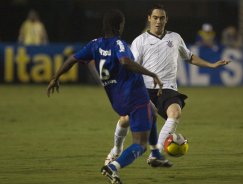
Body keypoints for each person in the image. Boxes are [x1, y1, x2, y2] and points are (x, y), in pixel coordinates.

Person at [47, 9, 171, 184]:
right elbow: (125, 62)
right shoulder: (119, 44)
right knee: (139, 144)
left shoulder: (94, 44)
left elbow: (72, 59)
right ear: (119, 26)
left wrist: (55, 77)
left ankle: (156, 154)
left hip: (117, 100)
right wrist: (152, 74)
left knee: (153, 110)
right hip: (135, 96)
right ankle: (113, 167)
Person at [105, 4, 230, 166]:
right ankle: (116, 150)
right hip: (144, 90)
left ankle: (155, 153)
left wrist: (212, 65)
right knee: (124, 120)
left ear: (166, 20)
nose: (158, 21)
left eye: (162, 18)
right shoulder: (140, 41)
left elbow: (190, 56)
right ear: (149, 19)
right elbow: (131, 66)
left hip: (167, 89)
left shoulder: (175, 37)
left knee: (175, 113)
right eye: (155, 18)